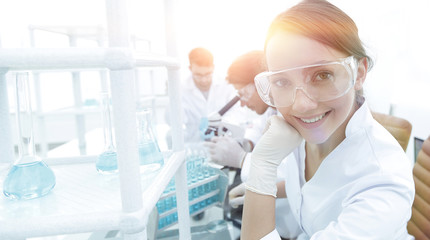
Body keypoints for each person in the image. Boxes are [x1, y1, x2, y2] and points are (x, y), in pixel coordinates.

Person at [241, 0, 415, 239]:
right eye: (281, 81)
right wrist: (269, 188)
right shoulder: (307, 133)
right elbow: (316, 189)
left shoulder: (382, 181)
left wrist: (262, 167)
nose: (301, 105)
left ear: (359, 73)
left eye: (322, 75)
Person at [204, 50, 302, 239]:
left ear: (262, 84)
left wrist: (241, 159)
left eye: (243, 93)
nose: (241, 103)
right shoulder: (271, 110)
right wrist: (247, 144)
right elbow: (257, 129)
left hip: (294, 227)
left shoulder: (296, 116)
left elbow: (292, 175)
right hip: (276, 223)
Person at [167, 47, 243, 144]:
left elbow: (238, 111)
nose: (203, 80)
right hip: (194, 142)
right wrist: (174, 100)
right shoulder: (181, 89)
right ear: (190, 69)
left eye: (208, 74)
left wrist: (224, 122)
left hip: (222, 140)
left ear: (213, 67)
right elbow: (173, 120)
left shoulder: (226, 85)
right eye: (198, 75)